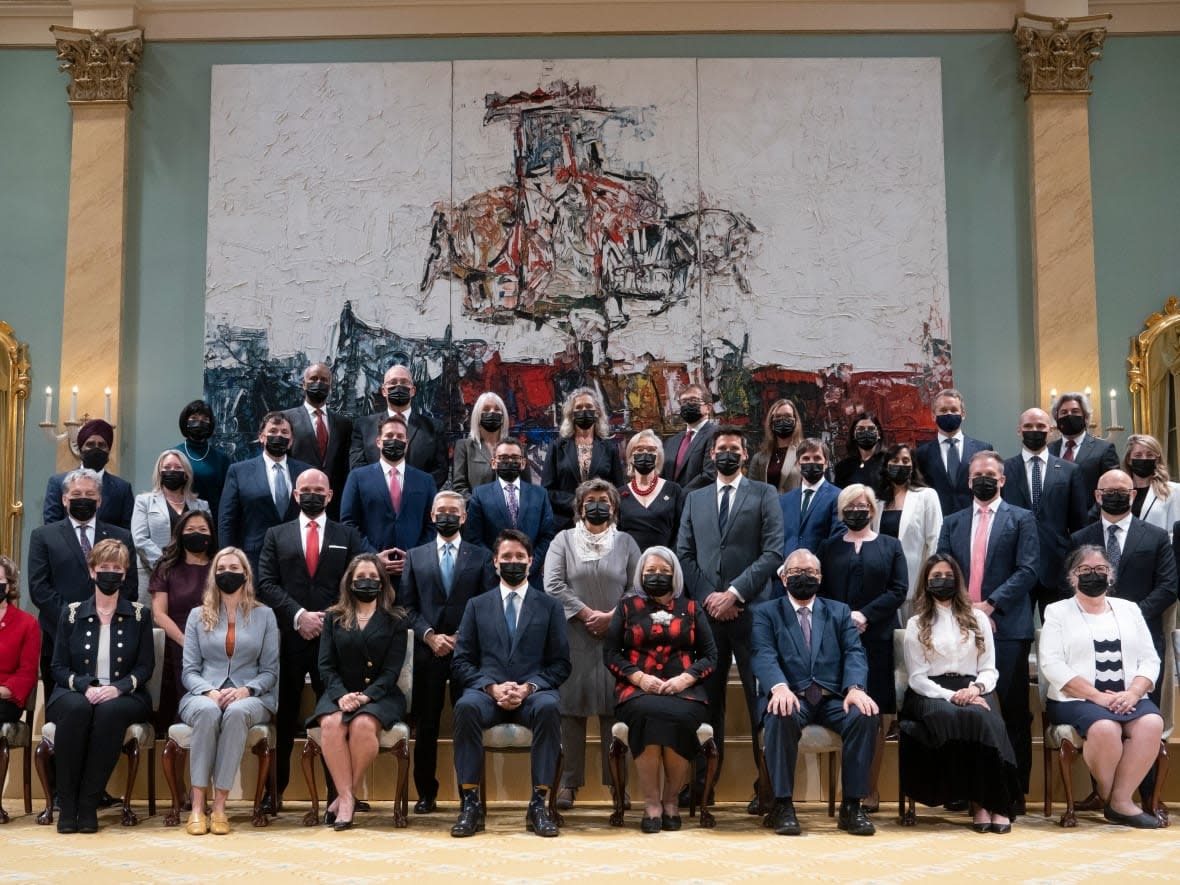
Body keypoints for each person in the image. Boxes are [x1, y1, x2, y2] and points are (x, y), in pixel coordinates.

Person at [676, 425, 784, 805]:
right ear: (711, 454)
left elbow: (773, 552)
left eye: (734, 449)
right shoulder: (694, 499)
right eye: (721, 448)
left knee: (761, 701)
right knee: (708, 704)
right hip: (708, 617)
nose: (727, 454)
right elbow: (684, 556)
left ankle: (768, 788)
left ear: (744, 453)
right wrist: (710, 598)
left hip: (753, 613)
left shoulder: (765, 493)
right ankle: (705, 787)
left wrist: (734, 593)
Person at [256, 468, 373, 807]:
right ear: (295, 495)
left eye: (318, 489)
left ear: (330, 495)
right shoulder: (275, 535)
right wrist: (299, 616)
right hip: (288, 639)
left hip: (334, 640)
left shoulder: (347, 535)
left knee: (335, 716)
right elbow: (265, 583)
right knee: (285, 713)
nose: (311, 494)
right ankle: (272, 793)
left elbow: (355, 583)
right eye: (304, 489)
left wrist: (328, 619)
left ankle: (338, 794)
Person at [449, 530, 571, 838]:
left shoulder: (550, 606)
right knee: (464, 707)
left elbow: (561, 664)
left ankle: (539, 804)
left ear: (531, 561)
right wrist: (490, 687)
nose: (513, 562)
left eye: (519, 557)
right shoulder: (476, 605)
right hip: (487, 694)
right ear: (495, 562)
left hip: (532, 695)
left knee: (548, 706)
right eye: (507, 557)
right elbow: (461, 661)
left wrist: (529, 687)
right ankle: (470, 803)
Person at [752, 549, 879, 837]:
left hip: (833, 698)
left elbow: (854, 652)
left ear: (820, 578)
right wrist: (779, 686)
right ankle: (783, 805)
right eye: (796, 572)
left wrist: (855, 689)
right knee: (778, 712)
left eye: (810, 572)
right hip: (792, 696)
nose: (803, 577)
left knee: (865, 714)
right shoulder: (766, 613)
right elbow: (762, 654)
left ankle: (851, 806)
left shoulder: (839, 611)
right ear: (783, 578)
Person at [937, 450, 1039, 806]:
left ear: (1002, 480)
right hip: (961, 626)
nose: (983, 479)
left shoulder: (1022, 519)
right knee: (966, 709)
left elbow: (1028, 569)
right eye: (977, 474)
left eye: (990, 475)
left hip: (1007, 625)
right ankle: (967, 790)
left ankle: (1013, 791)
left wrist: (990, 605)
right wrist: (967, 609)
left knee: (1011, 710)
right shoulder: (952, 522)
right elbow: (942, 570)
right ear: (968, 481)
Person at [1039, 545, 1165, 829]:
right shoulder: (1057, 612)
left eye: (1101, 570)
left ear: (1111, 576)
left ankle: (1120, 801)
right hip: (1075, 699)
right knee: (1105, 728)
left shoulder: (1129, 609)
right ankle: (1113, 798)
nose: (1093, 575)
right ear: (1073, 577)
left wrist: (1133, 692)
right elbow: (1052, 664)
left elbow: (1150, 658)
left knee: (1152, 723)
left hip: (1127, 695)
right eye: (1085, 570)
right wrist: (1098, 697)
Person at [899, 554, 1019, 833]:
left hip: (973, 687)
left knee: (985, 718)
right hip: (930, 693)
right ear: (926, 583)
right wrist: (950, 696)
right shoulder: (917, 623)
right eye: (936, 577)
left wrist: (974, 689)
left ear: (958, 580)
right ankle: (978, 801)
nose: (943, 581)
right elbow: (917, 678)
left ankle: (994, 804)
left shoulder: (978, 618)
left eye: (948, 576)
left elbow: (989, 669)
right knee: (955, 716)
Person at [603, 546, 717, 833]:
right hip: (637, 691)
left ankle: (670, 801)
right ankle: (651, 803)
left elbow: (710, 656)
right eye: (650, 571)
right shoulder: (627, 607)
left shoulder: (691, 608)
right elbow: (611, 654)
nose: (657, 576)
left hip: (685, 690)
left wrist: (684, 679)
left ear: (675, 575)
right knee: (648, 715)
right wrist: (639, 678)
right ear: (640, 574)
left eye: (664, 572)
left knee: (678, 717)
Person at [544, 479, 641, 809]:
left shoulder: (626, 542)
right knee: (570, 711)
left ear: (614, 508)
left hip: (617, 638)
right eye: (591, 500)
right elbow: (553, 584)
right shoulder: (563, 541)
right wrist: (587, 614)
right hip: (574, 635)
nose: (597, 505)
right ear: (580, 506)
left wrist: (613, 617)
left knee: (613, 713)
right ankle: (569, 784)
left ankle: (617, 784)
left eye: (604, 500)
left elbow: (638, 587)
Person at [45, 539, 154, 834]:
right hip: (74, 692)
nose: (110, 573)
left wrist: (118, 688)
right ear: (92, 571)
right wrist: (85, 686)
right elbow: (57, 668)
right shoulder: (71, 613)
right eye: (104, 567)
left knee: (109, 712)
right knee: (79, 709)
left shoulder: (140, 614)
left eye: (116, 568)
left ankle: (88, 803)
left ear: (125, 573)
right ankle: (67, 804)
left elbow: (145, 667)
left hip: (124, 695)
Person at [399, 491, 497, 813]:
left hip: (468, 654)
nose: (447, 516)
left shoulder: (481, 557)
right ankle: (427, 793)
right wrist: (430, 636)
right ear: (431, 515)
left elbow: (487, 605)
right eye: (441, 511)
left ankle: (469, 795)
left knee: (467, 723)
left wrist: (459, 638)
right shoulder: (415, 556)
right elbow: (406, 607)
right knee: (426, 726)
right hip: (428, 653)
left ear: (464, 517)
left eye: (453, 511)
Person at [817, 484, 907, 808]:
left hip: (878, 638)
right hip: (835, 642)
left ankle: (869, 788)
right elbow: (820, 590)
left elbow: (899, 589)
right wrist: (844, 618)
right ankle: (849, 788)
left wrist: (866, 615)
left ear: (872, 509)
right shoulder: (828, 548)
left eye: (863, 505)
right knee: (846, 712)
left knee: (874, 713)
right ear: (841, 512)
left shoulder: (890, 546)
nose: (857, 510)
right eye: (850, 506)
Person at [179, 546, 279, 836]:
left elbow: (271, 671)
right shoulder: (198, 615)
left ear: (246, 575)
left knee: (235, 713)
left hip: (252, 697)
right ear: (214, 575)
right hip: (202, 694)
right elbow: (189, 671)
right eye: (221, 569)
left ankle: (220, 805)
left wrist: (247, 690)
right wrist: (209, 691)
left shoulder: (265, 616)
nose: (227, 574)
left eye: (234, 569)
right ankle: (198, 806)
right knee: (209, 711)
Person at [310, 553, 411, 831]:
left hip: (381, 694)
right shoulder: (333, 617)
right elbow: (326, 666)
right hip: (338, 691)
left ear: (382, 583)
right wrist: (342, 695)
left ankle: (344, 797)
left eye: (372, 578)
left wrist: (366, 697)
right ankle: (347, 798)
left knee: (363, 725)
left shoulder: (396, 619)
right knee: (331, 723)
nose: (366, 583)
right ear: (349, 582)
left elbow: (392, 672)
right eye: (360, 578)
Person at [27, 468, 137, 708]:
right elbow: (39, 588)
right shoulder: (43, 536)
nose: (83, 498)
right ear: (65, 500)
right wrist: (74, 619)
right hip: (58, 638)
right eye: (76, 493)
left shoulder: (122, 537)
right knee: (63, 714)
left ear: (99, 500)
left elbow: (129, 586)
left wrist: (101, 619)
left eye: (89, 493)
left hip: (111, 636)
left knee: (107, 712)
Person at [1069, 469, 1178, 679]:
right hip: (1089, 633)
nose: (1115, 495)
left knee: (1142, 705)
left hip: (1142, 631)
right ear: (1098, 496)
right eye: (1109, 491)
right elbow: (1069, 585)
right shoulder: (1079, 539)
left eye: (1121, 491)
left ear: (1133, 494)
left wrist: (1131, 616)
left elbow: (1167, 587)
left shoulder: (1157, 537)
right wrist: (1098, 616)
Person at [1001, 408, 1088, 616]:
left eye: (1040, 426)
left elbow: (1079, 525)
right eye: (1028, 426)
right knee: (1016, 638)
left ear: (1051, 430)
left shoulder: (1070, 471)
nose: (1034, 430)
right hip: (1015, 566)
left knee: (1060, 635)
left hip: (1057, 567)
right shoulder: (1003, 470)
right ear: (1018, 431)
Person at [341, 414, 435, 583]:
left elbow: (432, 525)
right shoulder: (357, 477)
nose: (394, 440)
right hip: (370, 572)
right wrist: (374, 556)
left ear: (407, 444)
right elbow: (349, 523)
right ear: (378, 442)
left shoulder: (425, 481)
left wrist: (414, 556)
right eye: (389, 436)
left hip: (414, 573)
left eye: (400, 437)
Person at [217, 411, 311, 573]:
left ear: (291, 442)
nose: (278, 436)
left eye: (284, 432)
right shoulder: (239, 472)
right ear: (261, 437)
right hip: (253, 560)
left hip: (296, 561)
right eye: (273, 431)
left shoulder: (306, 472)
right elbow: (227, 520)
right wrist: (227, 559)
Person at [149, 510, 216, 729]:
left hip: (216, 643)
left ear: (211, 534)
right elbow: (159, 613)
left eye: (202, 530)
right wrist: (186, 642)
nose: (196, 534)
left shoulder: (220, 566)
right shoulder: (166, 567)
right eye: (190, 530)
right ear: (180, 534)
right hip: (177, 643)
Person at [464, 438, 556, 582]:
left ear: (523, 463)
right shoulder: (480, 495)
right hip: (493, 578)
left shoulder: (540, 495)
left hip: (531, 578)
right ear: (494, 463)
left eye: (514, 458)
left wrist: (530, 565)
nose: (509, 461)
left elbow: (548, 535)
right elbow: (473, 537)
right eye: (503, 458)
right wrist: (498, 565)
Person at [348, 363, 448, 489]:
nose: (398, 386)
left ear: (413, 391)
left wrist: (413, 492)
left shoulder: (434, 427)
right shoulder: (363, 426)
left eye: (404, 382)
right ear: (384, 391)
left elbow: (440, 470)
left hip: (418, 501)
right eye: (393, 382)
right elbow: (357, 466)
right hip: (375, 500)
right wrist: (382, 491)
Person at [873, 443, 942, 620]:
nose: (900, 464)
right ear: (886, 466)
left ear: (912, 467)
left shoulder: (927, 495)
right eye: (894, 460)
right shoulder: (877, 501)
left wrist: (929, 582)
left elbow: (935, 540)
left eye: (905, 460)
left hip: (916, 583)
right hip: (883, 585)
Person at [542, 387, 625, 531]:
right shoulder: (557, 447)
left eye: (589, 407)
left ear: (597, 412)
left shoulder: (609, 449)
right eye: (579, 407)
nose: (584, 411)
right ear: (571, 414)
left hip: (602, 524)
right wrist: (579, 503)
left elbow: (617, 491)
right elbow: (547, 491)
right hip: (565, 525)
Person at [131, 449, 210, 600]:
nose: (172, 471)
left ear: (186, 473)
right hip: (153, 573)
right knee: (154, 621)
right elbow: (139, 539)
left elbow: (208, 540)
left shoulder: (201, 505)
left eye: (178, 468)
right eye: (167, 468)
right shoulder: (144, 501)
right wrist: (167, 566)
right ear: (159, 472)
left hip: (192, 576)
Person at [280, 362, 353, 520]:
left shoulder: (344, 423)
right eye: (313, 378)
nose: (318, 383)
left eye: (324, 379)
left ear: (331, 386)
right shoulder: (286, 419)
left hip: (333, 507)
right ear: (304, 384)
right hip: (296, 504)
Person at [915, 389, 994, 516]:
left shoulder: (983, 450)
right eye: (943, 410)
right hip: (936, 521)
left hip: (975, 519)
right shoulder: (921, 454)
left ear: (963, 414)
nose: (948, 414)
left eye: (953, 410)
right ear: (933, 415)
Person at [43, 419, 134, 529]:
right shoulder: (58, 482)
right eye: (90, 444)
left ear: (108, 450)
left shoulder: (122, 488)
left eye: (101, 445)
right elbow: (51, 527)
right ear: (81, 449)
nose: (96, 449)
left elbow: (126, 530)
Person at [616, 429, 683, 552]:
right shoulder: (618, 494)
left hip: (664, 563)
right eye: (639, 449)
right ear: (630, 457)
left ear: (659, 457)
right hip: (630, 563)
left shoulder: (673, 490)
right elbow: (616, 535)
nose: (645, 454)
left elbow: (681, 532)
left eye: (651, 450)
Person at [1047, 392, 1120, 500]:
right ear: (1056, 418)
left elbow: (1113, 489)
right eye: (1064, 412)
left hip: (1091, 515)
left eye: (1075, 411)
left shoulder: (1104, 449)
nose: (1069, 415)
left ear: (1085, 417)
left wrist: (1090, 516)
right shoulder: (1048, 450)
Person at [780, 438, 844, 559]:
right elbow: (777, 540)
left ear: (826, 463)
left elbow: (838, 539)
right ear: (798, 464)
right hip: (785, 572)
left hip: (821, 572)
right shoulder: (784, 501)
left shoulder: (839, 497)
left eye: (817, 458)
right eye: (806, 458)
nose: (811, 462)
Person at [452, 391, 517, 499]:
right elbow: (459, 488)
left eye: (497, 409)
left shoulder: (516, 448)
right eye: (486, 409)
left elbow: (525, 488)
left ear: (503, 416)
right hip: (476, 512)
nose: (492, 412)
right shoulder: (464, 447)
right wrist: (480, 507)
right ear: (477, 415)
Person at [0, 556, 40, 725]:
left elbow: (27, 673)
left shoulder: (27, 623)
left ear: (9, 585)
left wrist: (2, 691)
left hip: (5, 700)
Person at [174, 400, 232, 519]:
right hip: (178, 521)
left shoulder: (222, 459)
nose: (199, 422)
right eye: (194, 417)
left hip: (211, 523)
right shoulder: (173, 456)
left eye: (205, 419)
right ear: (185, 421)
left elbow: (227, 499)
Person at [661, 384, 717, 491]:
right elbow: (663, 474)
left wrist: (680, 496)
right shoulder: (672, 442)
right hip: (670, 503)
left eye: (694, 400)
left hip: (698, 502)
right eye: (684, 401)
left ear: (708, 408)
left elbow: (710, 475)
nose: (688, 405)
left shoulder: (716, 435)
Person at [1122, 434, 1180, 531]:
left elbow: (1175, 530)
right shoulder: (1120, 491)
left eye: (1149, 455)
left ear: (1157, 459)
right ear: (1129, 459)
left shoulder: (1173, 490)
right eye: (1138, 455)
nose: (1144, 459)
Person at [748, 397, 804, 492]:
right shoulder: (758, 458)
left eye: (787, 416)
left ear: (795, 421)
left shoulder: (804, 454)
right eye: (777, 417)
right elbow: (752, 493)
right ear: (771, 422)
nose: (783, 420)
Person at [833, 412, 887, 490]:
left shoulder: (888, 462)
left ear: (879, 434)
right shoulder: (842, 467)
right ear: (853, 435)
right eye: (860, 429)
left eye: (871, 429)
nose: (866, 432)